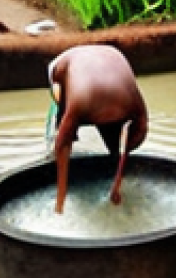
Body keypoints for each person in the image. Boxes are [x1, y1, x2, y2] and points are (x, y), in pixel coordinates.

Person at [47, 45, 149, 215]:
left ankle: (61, 203)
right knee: (116, 144)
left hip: (89, 98)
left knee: (65, 131)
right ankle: (116, 184)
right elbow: (141, 124)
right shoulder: (105, 57)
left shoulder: (63, 72)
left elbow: (62, 145)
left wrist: (60, 203)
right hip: (124, 101)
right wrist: (121, 171)